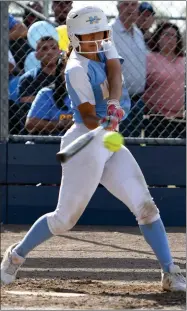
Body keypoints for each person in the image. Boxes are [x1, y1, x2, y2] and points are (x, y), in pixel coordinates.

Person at [1, 6, 185, 293]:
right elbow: (87, 116)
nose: (96, 40)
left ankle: (169, 271)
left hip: (109, 141)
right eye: (88, 36)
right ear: (75, 37)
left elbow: (114, 70)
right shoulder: (75, 69)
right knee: (64, 220)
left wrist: (113, 104)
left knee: (146, 207)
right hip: (84, 139)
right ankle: (15, 255)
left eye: (99, 34)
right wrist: (104, 119)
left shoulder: (103, 42)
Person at [143, 22, 186, 138]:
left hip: (181, 119)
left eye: (174, 36)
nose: (170, 38)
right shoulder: (149, 58)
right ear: (158, 37)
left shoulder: (183, 60)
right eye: (166, 34)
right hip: (156, 118)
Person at [111, 1, 147, 137]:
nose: (130, 8)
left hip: (138, 100)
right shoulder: (110, 33)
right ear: (118, 8)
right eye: (126, 4)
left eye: (133, 4)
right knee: (116, 141)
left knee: (134, 143)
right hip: (117, 101)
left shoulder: (138, 34)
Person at [17, 36, 60, 134]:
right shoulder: (28, 78)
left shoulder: (67, 76)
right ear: (37, 55)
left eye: (53, 48)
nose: (50, 52)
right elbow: (28, 110)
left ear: (60, 51)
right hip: (37, 133)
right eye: (44, 49)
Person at [25, 54, 73, 135]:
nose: (70, 71)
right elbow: (30, 123)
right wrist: (60, 124)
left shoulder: (91, 92)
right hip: (53, 141)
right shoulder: (47, 93)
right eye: (65, 67)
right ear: (59, 71)